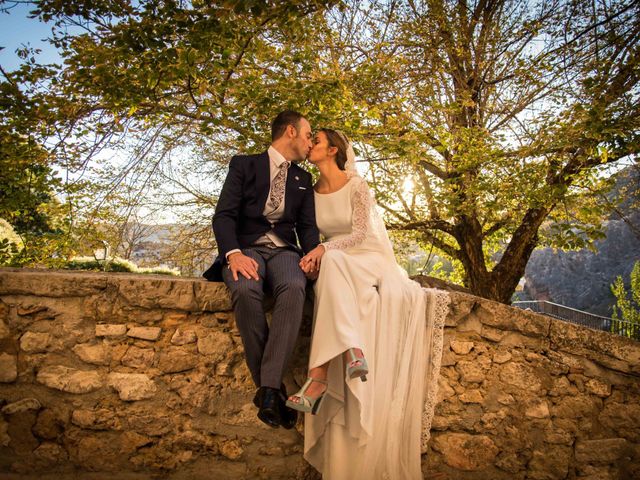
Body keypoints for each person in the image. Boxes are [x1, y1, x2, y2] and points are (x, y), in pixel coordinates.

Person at [286, 129, 449, 479]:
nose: (309, 144)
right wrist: (315, 254)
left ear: (332, 150)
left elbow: (360, 235)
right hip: (336, 261)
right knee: (330, 266)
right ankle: (352, 351)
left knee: (333, 261)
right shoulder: (310, 194)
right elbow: (312, 236)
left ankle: (318, 376)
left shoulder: (358, 186)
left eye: (316, 141)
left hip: (368, 256)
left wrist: (323, 250)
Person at [203, 110, 320, 430]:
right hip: (246, 249)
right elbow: (223, 216)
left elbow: (307, 227)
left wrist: (312, 255)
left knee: (295, 288)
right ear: (291, 132)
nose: (311, 142)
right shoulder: (243, 165)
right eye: (309, 135)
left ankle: (267, 391)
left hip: (283, 251)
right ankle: (272, 389)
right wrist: (233, 254)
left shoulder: (303, 179)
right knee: (244, 289)